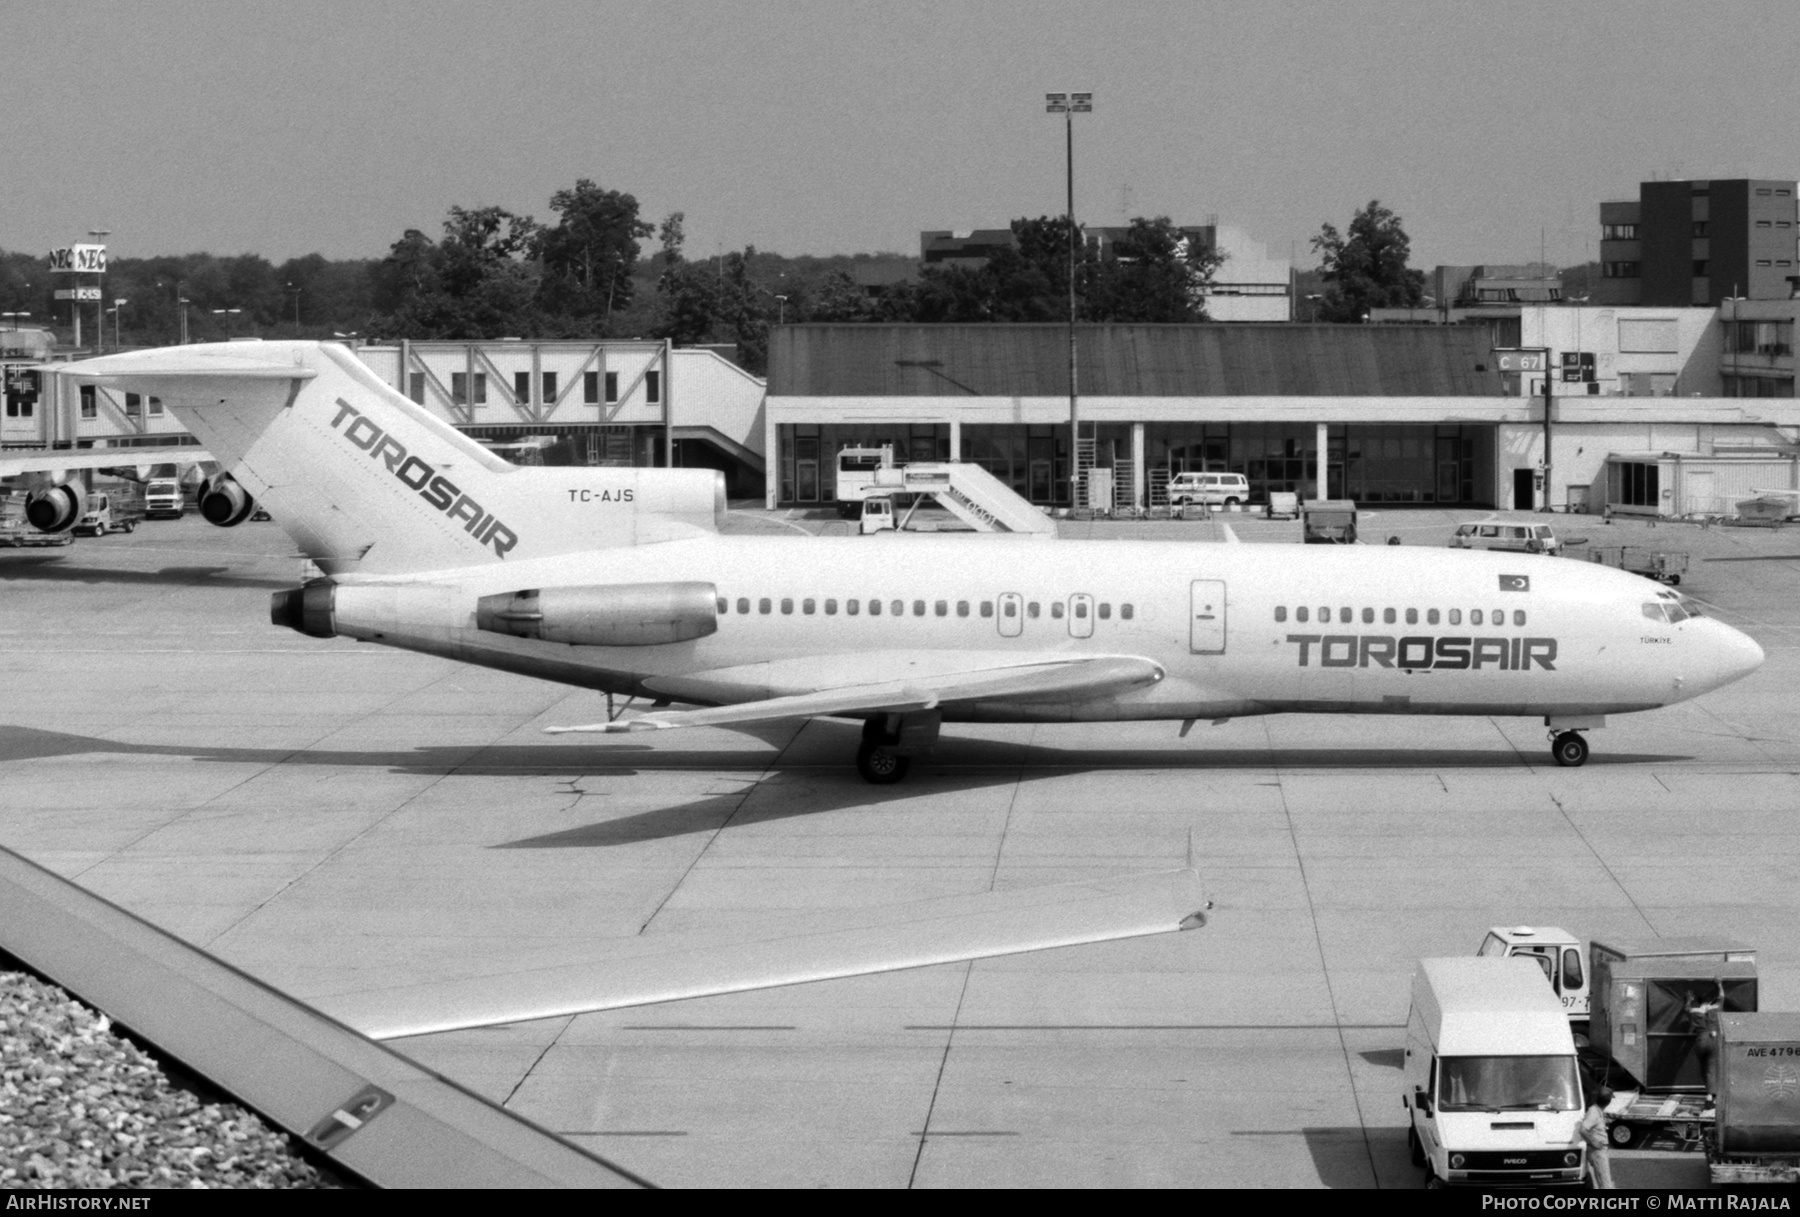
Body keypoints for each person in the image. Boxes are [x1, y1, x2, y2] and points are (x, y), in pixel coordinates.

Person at [1689, 983, 1724, 1100]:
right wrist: (1719, 984)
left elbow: (1686, 1008)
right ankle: (1711, 1096)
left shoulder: (1694, 1011)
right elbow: (1722, 996)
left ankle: (1709, 1092)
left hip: (1700, 1041)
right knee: (1712, 1068)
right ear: (1710, 1001)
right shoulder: (1715, 1009)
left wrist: (1689, 1000)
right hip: (1712, 1040)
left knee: (1704, 1068)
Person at [1581, 1085, 1615, 1189]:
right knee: (1605, 1184)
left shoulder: (1596, 1110)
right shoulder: (1594, 1112)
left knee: (1605, 1181)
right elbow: (1583, 1129)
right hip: (1597, 1152)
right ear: (1608, 1102)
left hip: (1600, 1151)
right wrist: (1594, 1142)